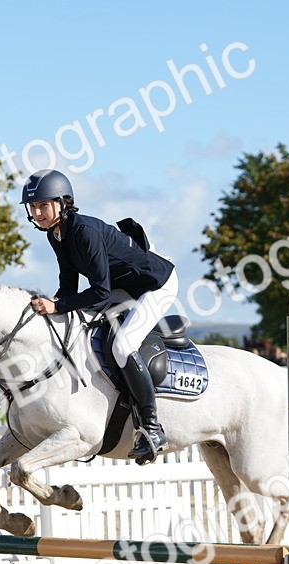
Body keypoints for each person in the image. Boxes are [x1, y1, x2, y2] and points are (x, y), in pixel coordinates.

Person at [21, 168, 178, 464]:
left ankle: (152, 428)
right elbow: (68, 285)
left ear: (63, 202)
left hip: (154, 284)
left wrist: (57, 306)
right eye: (33, 207)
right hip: (122, 287)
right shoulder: (56, 234)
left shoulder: (84, 232)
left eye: (43, 205)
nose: (37, 212)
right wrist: (53, 306)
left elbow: (100, 293)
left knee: (122, 346)